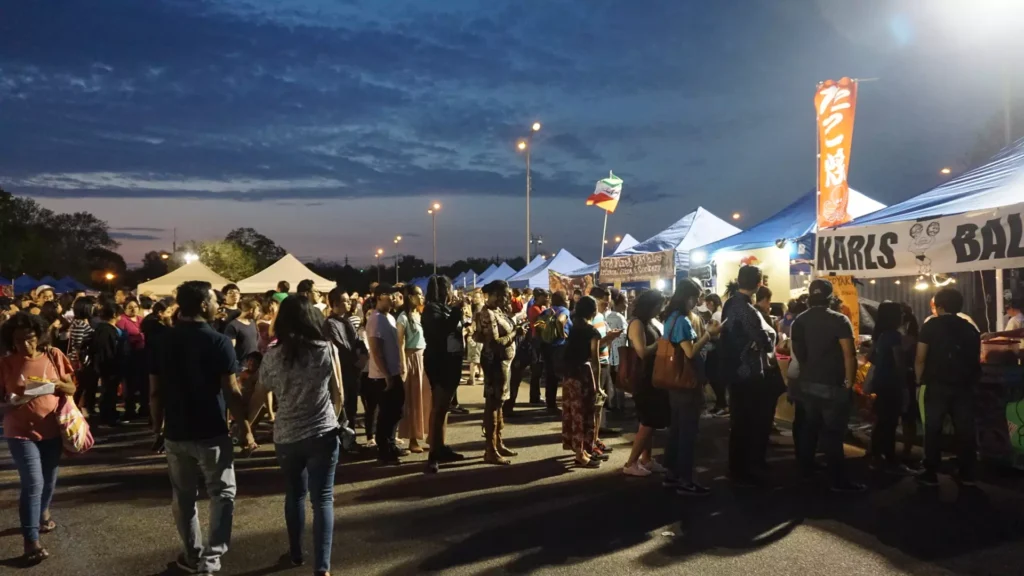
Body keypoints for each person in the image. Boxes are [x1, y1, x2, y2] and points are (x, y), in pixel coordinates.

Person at [148, 280, 255, 575]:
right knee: (222, 494)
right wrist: (245, 427)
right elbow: (232, 391)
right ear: (203, 305)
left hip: (176, 432)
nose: (218, 305)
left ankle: (193, 554)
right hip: (211, 429)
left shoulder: (162, 340)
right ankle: (211, 558)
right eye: (214, 301)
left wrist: (157, 429)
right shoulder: (218, 341)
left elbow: (154, 392)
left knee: (183, 497)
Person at [248, 296, 341, 576]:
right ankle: (322, 566)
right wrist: (332, 417)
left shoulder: (273, 356)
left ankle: (296, 552)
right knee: (323, 498)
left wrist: (245, 428)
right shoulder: (326, 350)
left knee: (294, 495)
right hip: (322, 432)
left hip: (286, 435)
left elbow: (258, 396)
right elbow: (340, 394)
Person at [0, 312, 77, 564]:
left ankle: (43, 513)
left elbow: (71, 387)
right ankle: (30, 541)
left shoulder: (54, 355)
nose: (25, 344)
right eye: (19, 340)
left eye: (30, 338)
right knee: (33, 483)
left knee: (49, 481)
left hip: (52, 430)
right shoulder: (6, 363)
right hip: (19, 432)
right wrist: (10, 403)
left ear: (39, 335)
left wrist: (49, 386)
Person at [791, 279, 864, 492]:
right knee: (833, 434)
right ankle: (838, 481)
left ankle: (805, 470)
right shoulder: (839, 320)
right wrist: (849, 383)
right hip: (832, 384)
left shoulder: (799, 321)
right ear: (830, 297)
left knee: (809, 428)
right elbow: (849, 355)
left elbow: (799, 353)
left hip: (807, 383)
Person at [915, 287, 981, 487]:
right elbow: (975, 357)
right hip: (965, 385)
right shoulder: (970, 327)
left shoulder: (931, 326)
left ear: (940, 306)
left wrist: (919, 381)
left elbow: (920, 357)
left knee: (932, 428)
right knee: (965, 429)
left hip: (936, 384)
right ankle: (967, 471)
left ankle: (930, 472)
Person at [718, 266, 777, 486]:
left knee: (740, 421)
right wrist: (768, 338)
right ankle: (743, 468)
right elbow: (763, 339)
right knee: (748, 421)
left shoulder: (730, 303)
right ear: (759, 284)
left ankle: (739, 466)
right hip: (747, 371)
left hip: (733, 369)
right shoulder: (746, 309)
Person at [663, 279, 721, 495]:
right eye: (697, 297)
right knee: (687, 432)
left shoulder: (670, 318)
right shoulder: (683, 321)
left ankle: (672, 475)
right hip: (687, 383)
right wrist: (708, 334)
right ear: (689, 297)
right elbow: (689, 352)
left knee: (677, 429)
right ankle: (686, 480)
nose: (698, 302)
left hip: (674, 382)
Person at [473, 280, 524, 465]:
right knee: (493, 405)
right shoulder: (487, 313)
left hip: (504, 363)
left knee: (500, 403)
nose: (508, 298)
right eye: (504, 294)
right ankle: (490, 448)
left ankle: (498, 441)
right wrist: (515, 333)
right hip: (495, 363)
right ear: (494, 294)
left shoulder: (498, 311)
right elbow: (494, 343)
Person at [421, 275, 468, 474]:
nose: (451, 292)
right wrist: (457, 311)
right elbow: (440, 332)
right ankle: (433, 453)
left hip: (452, 361)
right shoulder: (432, 309)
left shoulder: (444, 308)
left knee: (444, 407)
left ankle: (441, 446)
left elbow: (452, 328)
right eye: (449, 288)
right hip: (440, 362)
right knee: (438, 408)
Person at [622, 289, 670, 477]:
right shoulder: (636, 323)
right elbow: (642, 351)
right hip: (643, 378)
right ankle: (631, 463)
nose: (660, 309)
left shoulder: (649, 322)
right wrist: (660, 342)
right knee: (648, 421)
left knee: (651, 420)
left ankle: (646, 459)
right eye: (658, 306)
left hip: (653, 376)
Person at [868, 302, 916, 475]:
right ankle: (889, 458)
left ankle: (876, 455)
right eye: (900, 313)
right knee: (889, 421)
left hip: (881, 380)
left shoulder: (881, 335)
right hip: (891, 383)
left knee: (882, 420)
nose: (903, 316)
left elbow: (872, 356)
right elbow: (899, 362)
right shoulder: (894, 336)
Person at [560, 295, 603, 468]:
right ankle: (580, 454)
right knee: (584, 413)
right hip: (582, 374)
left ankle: (581, 450)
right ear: (593, 311)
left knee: (572, 412)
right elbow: (595, 359)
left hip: (568, 374)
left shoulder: (573, 327)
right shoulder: (591, 331)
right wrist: (598, 385)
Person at [365, 283, 406, 465]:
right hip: (383, 376)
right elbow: (376, 350)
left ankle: (390, 443)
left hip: (393, 372)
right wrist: (387, 374)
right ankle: (384, 450)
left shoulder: (388, 317)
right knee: (387, 414)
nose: (394, 298)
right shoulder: (376, 319)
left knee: (396, 411)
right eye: (391, 295)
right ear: (381, 296)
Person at [325, 287, 366, 438]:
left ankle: (351, 438)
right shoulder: (330, 323)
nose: (349, 303)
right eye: (345, 301)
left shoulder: (346, 321)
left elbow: (357, 341)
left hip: (353, 370)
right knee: (343, 407)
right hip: (342, 371)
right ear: (335, 304)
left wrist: (363, 354)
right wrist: (356, 361)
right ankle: (344, 440)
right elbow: (339, 348)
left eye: (350, 300)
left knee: (352, 407)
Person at [396, 283, 432, 454]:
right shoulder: (403, 317)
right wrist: (403, 365)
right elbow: (400, 343)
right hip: (411, 359)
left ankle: (418, 436)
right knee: (412, 400)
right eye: (418, 294)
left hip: (422, 358)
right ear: (410, 296)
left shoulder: (419, 314)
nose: (421, 297)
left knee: (422, 399)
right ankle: (411, 439)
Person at [91, 301, 124, 426]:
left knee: (110, 391)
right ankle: (107, 416)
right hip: (109, 365)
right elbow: (107, 350)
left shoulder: (102, 328)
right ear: (115, 314)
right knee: (108, 391)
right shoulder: (106, 330)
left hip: (108, 365)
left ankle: (110, 414)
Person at [117, 297, 148, 421]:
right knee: (130, 384)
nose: (133, 309)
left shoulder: (142, 320)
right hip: (130, 356)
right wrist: (137, 337)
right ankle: (130, 409)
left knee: (144, 383)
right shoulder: (122, 321)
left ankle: (144, 408)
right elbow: (121, 338)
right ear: (124, 308)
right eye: (129, 306)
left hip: (144, 355)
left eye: (135, 306)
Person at [542, 290, 572, 415]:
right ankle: (565, 404)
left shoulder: (546, 311)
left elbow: (538, 324)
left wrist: (547, 333)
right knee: (563, 375)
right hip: (559, 346)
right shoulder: (564, 311)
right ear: (563, 300)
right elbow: (560, 321)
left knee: (550, 376)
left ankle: (550, 404)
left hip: (547, 345)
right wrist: (562, 334)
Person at [69, 296, 97, 415]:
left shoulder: (79, 322)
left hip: (81, 359)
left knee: (82, 385)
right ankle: (75, 409)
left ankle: (79, 408)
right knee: (82, 386)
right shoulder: (80, 323)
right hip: (81, 360)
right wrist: (82, 362)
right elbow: (78, 344)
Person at [702, 293, 728, 416]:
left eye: (707, 303)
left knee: (714, 377)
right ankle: (720, 403)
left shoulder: (716, 315)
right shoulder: (720, 314)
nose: (706, 305)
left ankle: (722, 404)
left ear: (711, 303)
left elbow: (714, 332)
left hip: (715, 349)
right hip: (718, 349)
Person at [605, 290, 629, 412]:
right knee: (619, 380)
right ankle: (620, 406)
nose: (627, 305)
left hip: (608, 352)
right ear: (618, 303)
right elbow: (624, 336)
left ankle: (612, 404)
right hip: (619, 352)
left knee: (611, 380)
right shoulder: (619, 317)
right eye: (625, 302)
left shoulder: (606, 316)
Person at [526, 288, 549, 406]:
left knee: (539, 371)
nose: (546, 299)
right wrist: (546, 318)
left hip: (540, 341)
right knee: (536, 370)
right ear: (538, 297)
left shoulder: (541, 309)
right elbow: (537, 324)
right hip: (537, 341)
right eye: (544, 297)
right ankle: (534, 396)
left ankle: (536, 395)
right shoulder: (534, 309)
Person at [224, 298, 261, 368]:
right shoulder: (233, 326)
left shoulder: (252, 322)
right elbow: (229, 350)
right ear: (251, 310)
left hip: (255, 366)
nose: (259, 313)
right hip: (242, 367)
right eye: (257, 311)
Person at [464, 295, 483, 386]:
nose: (474, 299)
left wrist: (468, 333)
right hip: (482, 337)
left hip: (476, 336)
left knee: (473, 359)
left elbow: (474, 325)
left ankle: (472, 378)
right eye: (474, 297)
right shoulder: (481, 308)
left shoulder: (479, 310)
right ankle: (480, 374)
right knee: (479, 357)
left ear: (481, 298)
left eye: (476, 297)